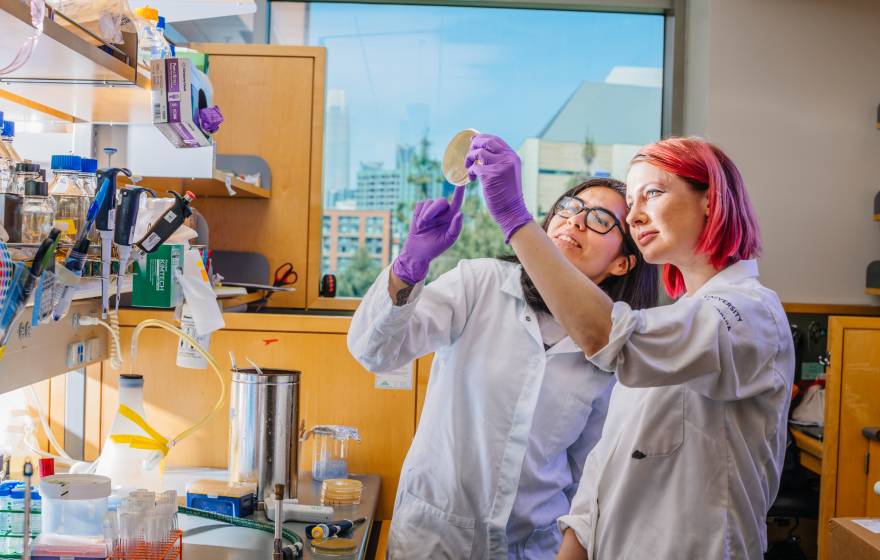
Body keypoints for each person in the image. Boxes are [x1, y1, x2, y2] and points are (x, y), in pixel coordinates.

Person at [467, 135, 795, 559]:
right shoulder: (675, 323)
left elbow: (607, 337)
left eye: (653, 193)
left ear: (711, 201)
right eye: (632, 203)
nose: (635, 216)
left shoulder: (750, 314)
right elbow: (601, 478)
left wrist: (516, 220)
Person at [347, 180, 657, 559]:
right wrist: (408, 268)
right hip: (434, 540)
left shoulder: (611, 351)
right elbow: (373, 351)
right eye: (570, 207)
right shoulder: (479, 283)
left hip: (533, 547)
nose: (575, 222)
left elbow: (586, 476)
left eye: (600, 220)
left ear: (622, 262)